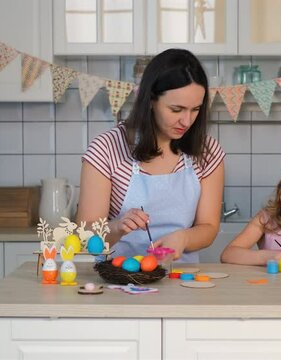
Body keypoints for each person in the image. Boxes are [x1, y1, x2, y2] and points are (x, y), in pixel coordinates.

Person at [77, 48, 225, 262]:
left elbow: (209, 227)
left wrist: (184, 238)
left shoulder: (207, 152)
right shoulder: (106, 149)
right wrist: (116, 227)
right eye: (176, 109)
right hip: (118, 283)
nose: (187, 121)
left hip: (181, 282)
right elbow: (85, 236)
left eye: (195, 110)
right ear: (150, 100)